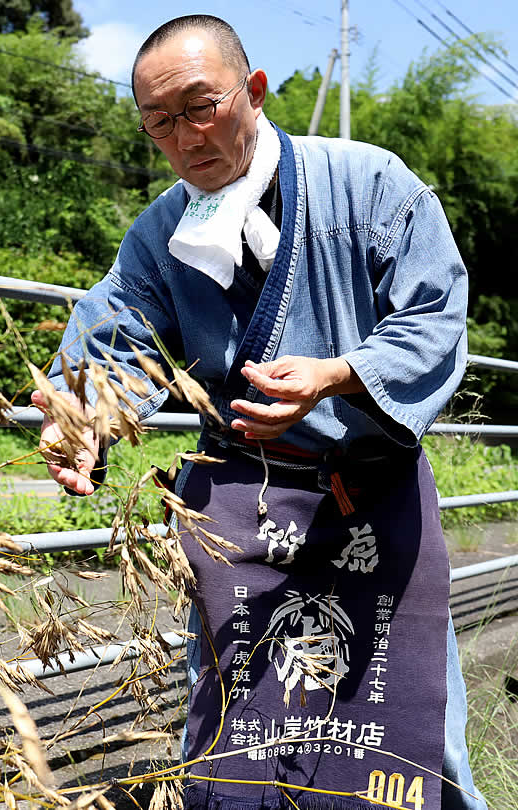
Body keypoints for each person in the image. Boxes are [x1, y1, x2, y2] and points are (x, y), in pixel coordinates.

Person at [34, 14, 486, 810]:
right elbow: (115, 342)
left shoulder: (370, 183)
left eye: (201, 107)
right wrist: (83, 420)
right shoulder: (160, 233)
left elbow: (433, 314)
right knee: (226, 725)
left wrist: (341, 373)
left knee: (417, 725)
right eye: (159, 123)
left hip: (369, 492)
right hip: (245, 504)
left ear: (254, 90)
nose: (185, 138)